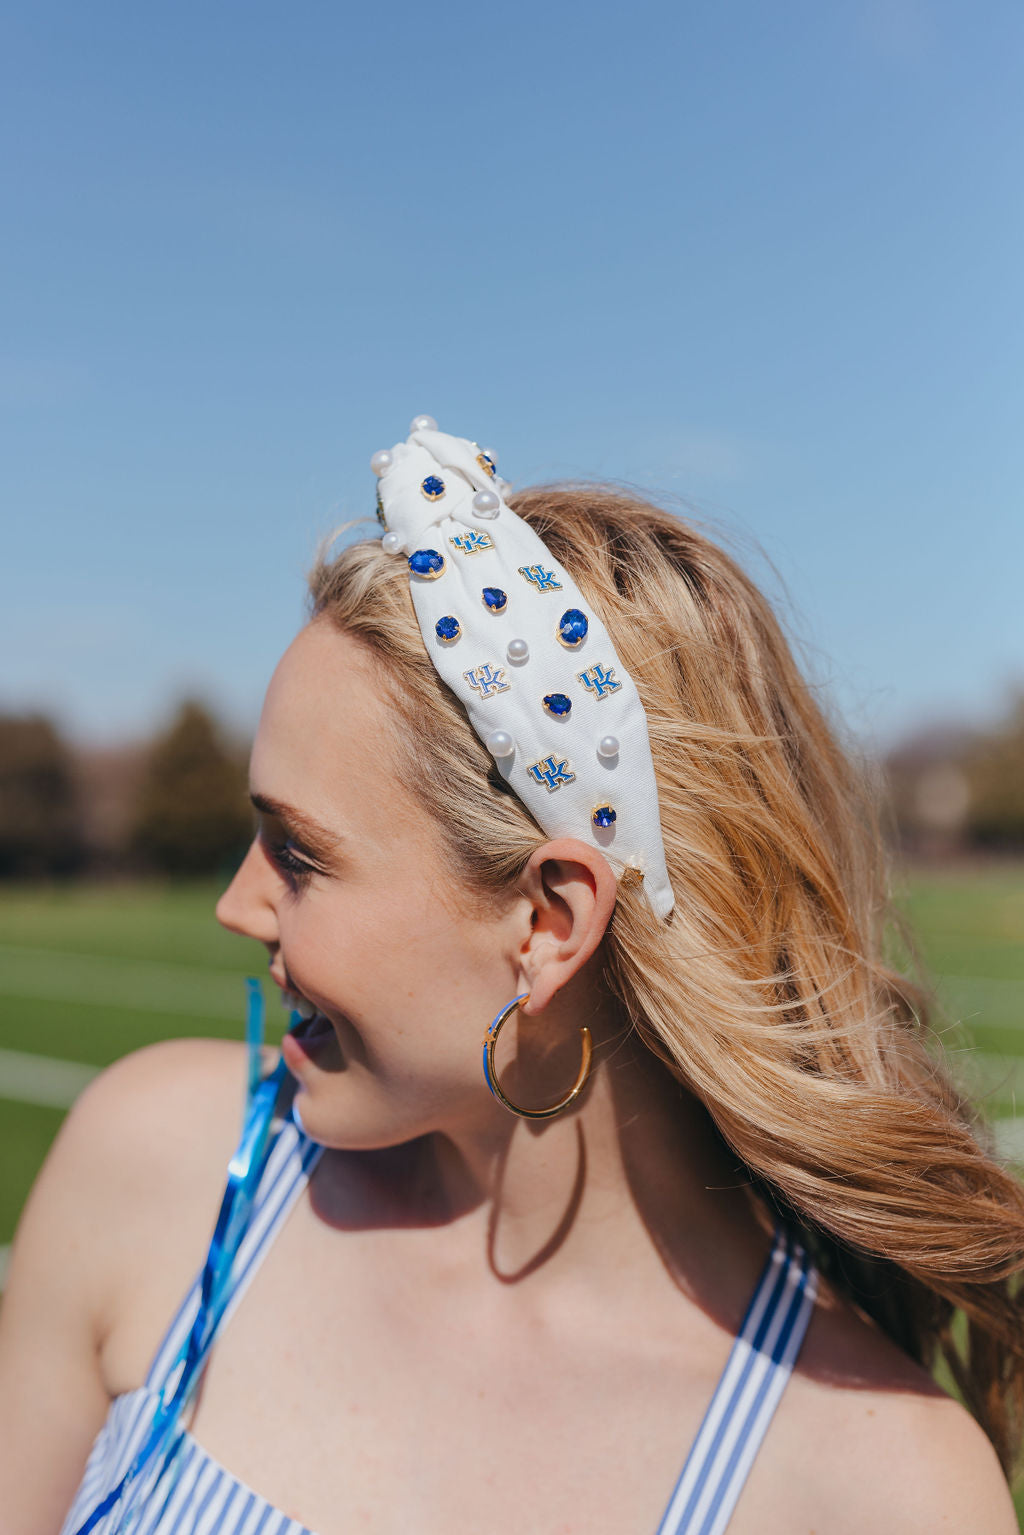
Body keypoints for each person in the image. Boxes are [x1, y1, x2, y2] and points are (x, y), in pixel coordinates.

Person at [1, 418, 1022, 1535]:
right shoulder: (162, 1171)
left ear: (548, 920)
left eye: (297, 852)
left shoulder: (877, 1486)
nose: (237, 904)